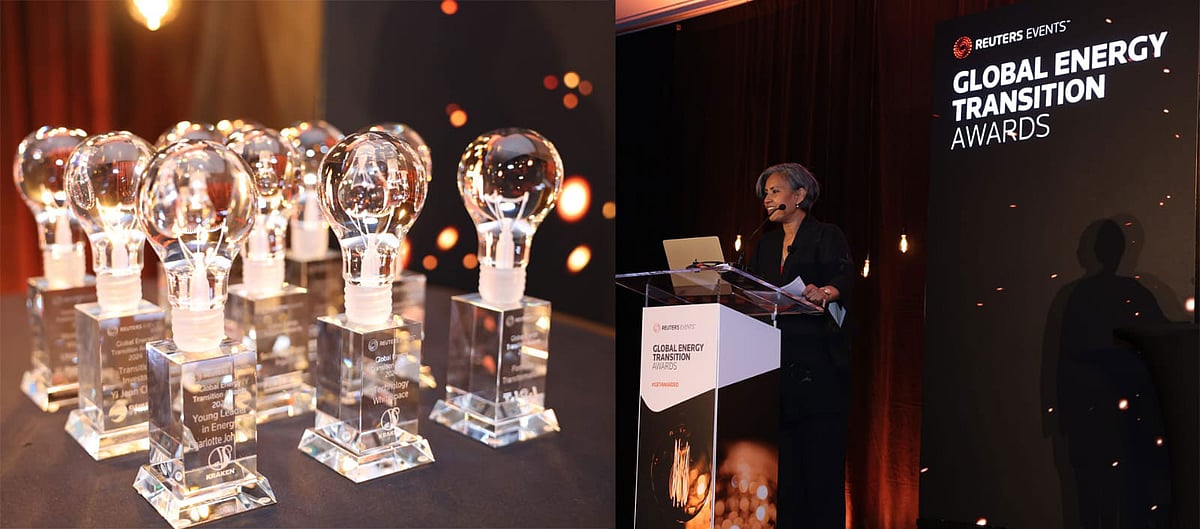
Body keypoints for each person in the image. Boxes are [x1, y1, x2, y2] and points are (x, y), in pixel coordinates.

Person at [747, 162, 853, 529]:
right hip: (775, 367)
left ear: (799, 195)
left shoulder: (826, 235)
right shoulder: (765, 243)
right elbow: (751, 289)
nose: (768, 199)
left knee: (819, 470)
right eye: (766, 193)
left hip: (818, 369)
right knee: (784, 472)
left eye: (775, 191)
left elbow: (843, 276)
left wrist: (825, 291)